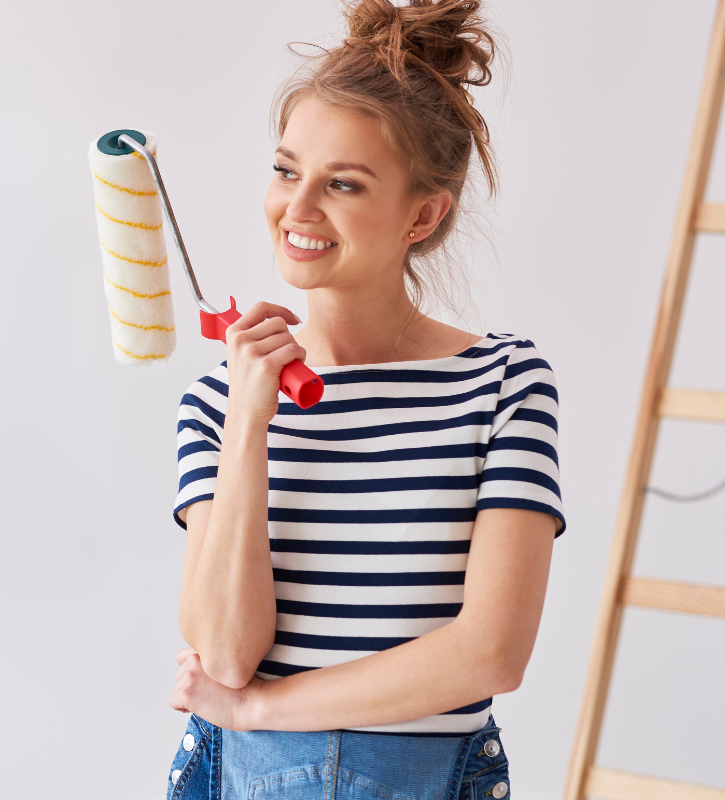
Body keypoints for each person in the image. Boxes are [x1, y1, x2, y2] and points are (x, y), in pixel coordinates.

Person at [165, 1, 564, 798]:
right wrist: (249, 423)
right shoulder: (220, 397)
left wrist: (264, 711)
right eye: (286, 170)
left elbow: (490, 654)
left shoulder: (504, 383)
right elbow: (226, 655)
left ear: (423, 214)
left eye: (342, 183)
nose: (298, 209)